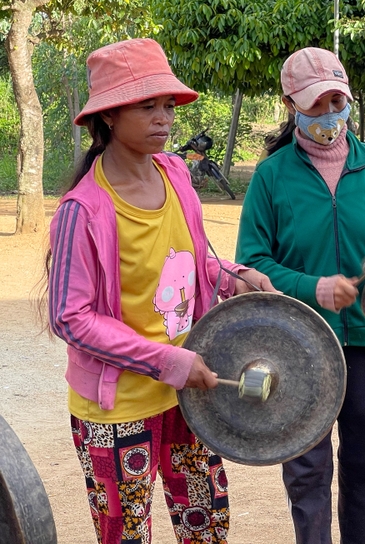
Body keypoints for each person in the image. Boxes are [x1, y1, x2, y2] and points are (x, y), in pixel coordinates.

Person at [46, 38, 275, 544]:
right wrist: (166, 363)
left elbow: (192, 258)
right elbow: (70, 317)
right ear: (107, 116)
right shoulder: (82, 211)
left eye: (168, 104)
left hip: (191, 395)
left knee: (207, 525)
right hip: (116, 408)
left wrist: (232, 276)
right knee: (126, 536)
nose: (164, 118)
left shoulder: (175, 174)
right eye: (146, 105)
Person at [235, 47, 365, 544]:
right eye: (316, 104)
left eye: (338, 100)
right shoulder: (271, 177)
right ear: (291, 104)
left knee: (364, 458)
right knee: (307, 465)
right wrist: (313, 288)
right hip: (298, 342)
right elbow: (252, 262)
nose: (330, 114)